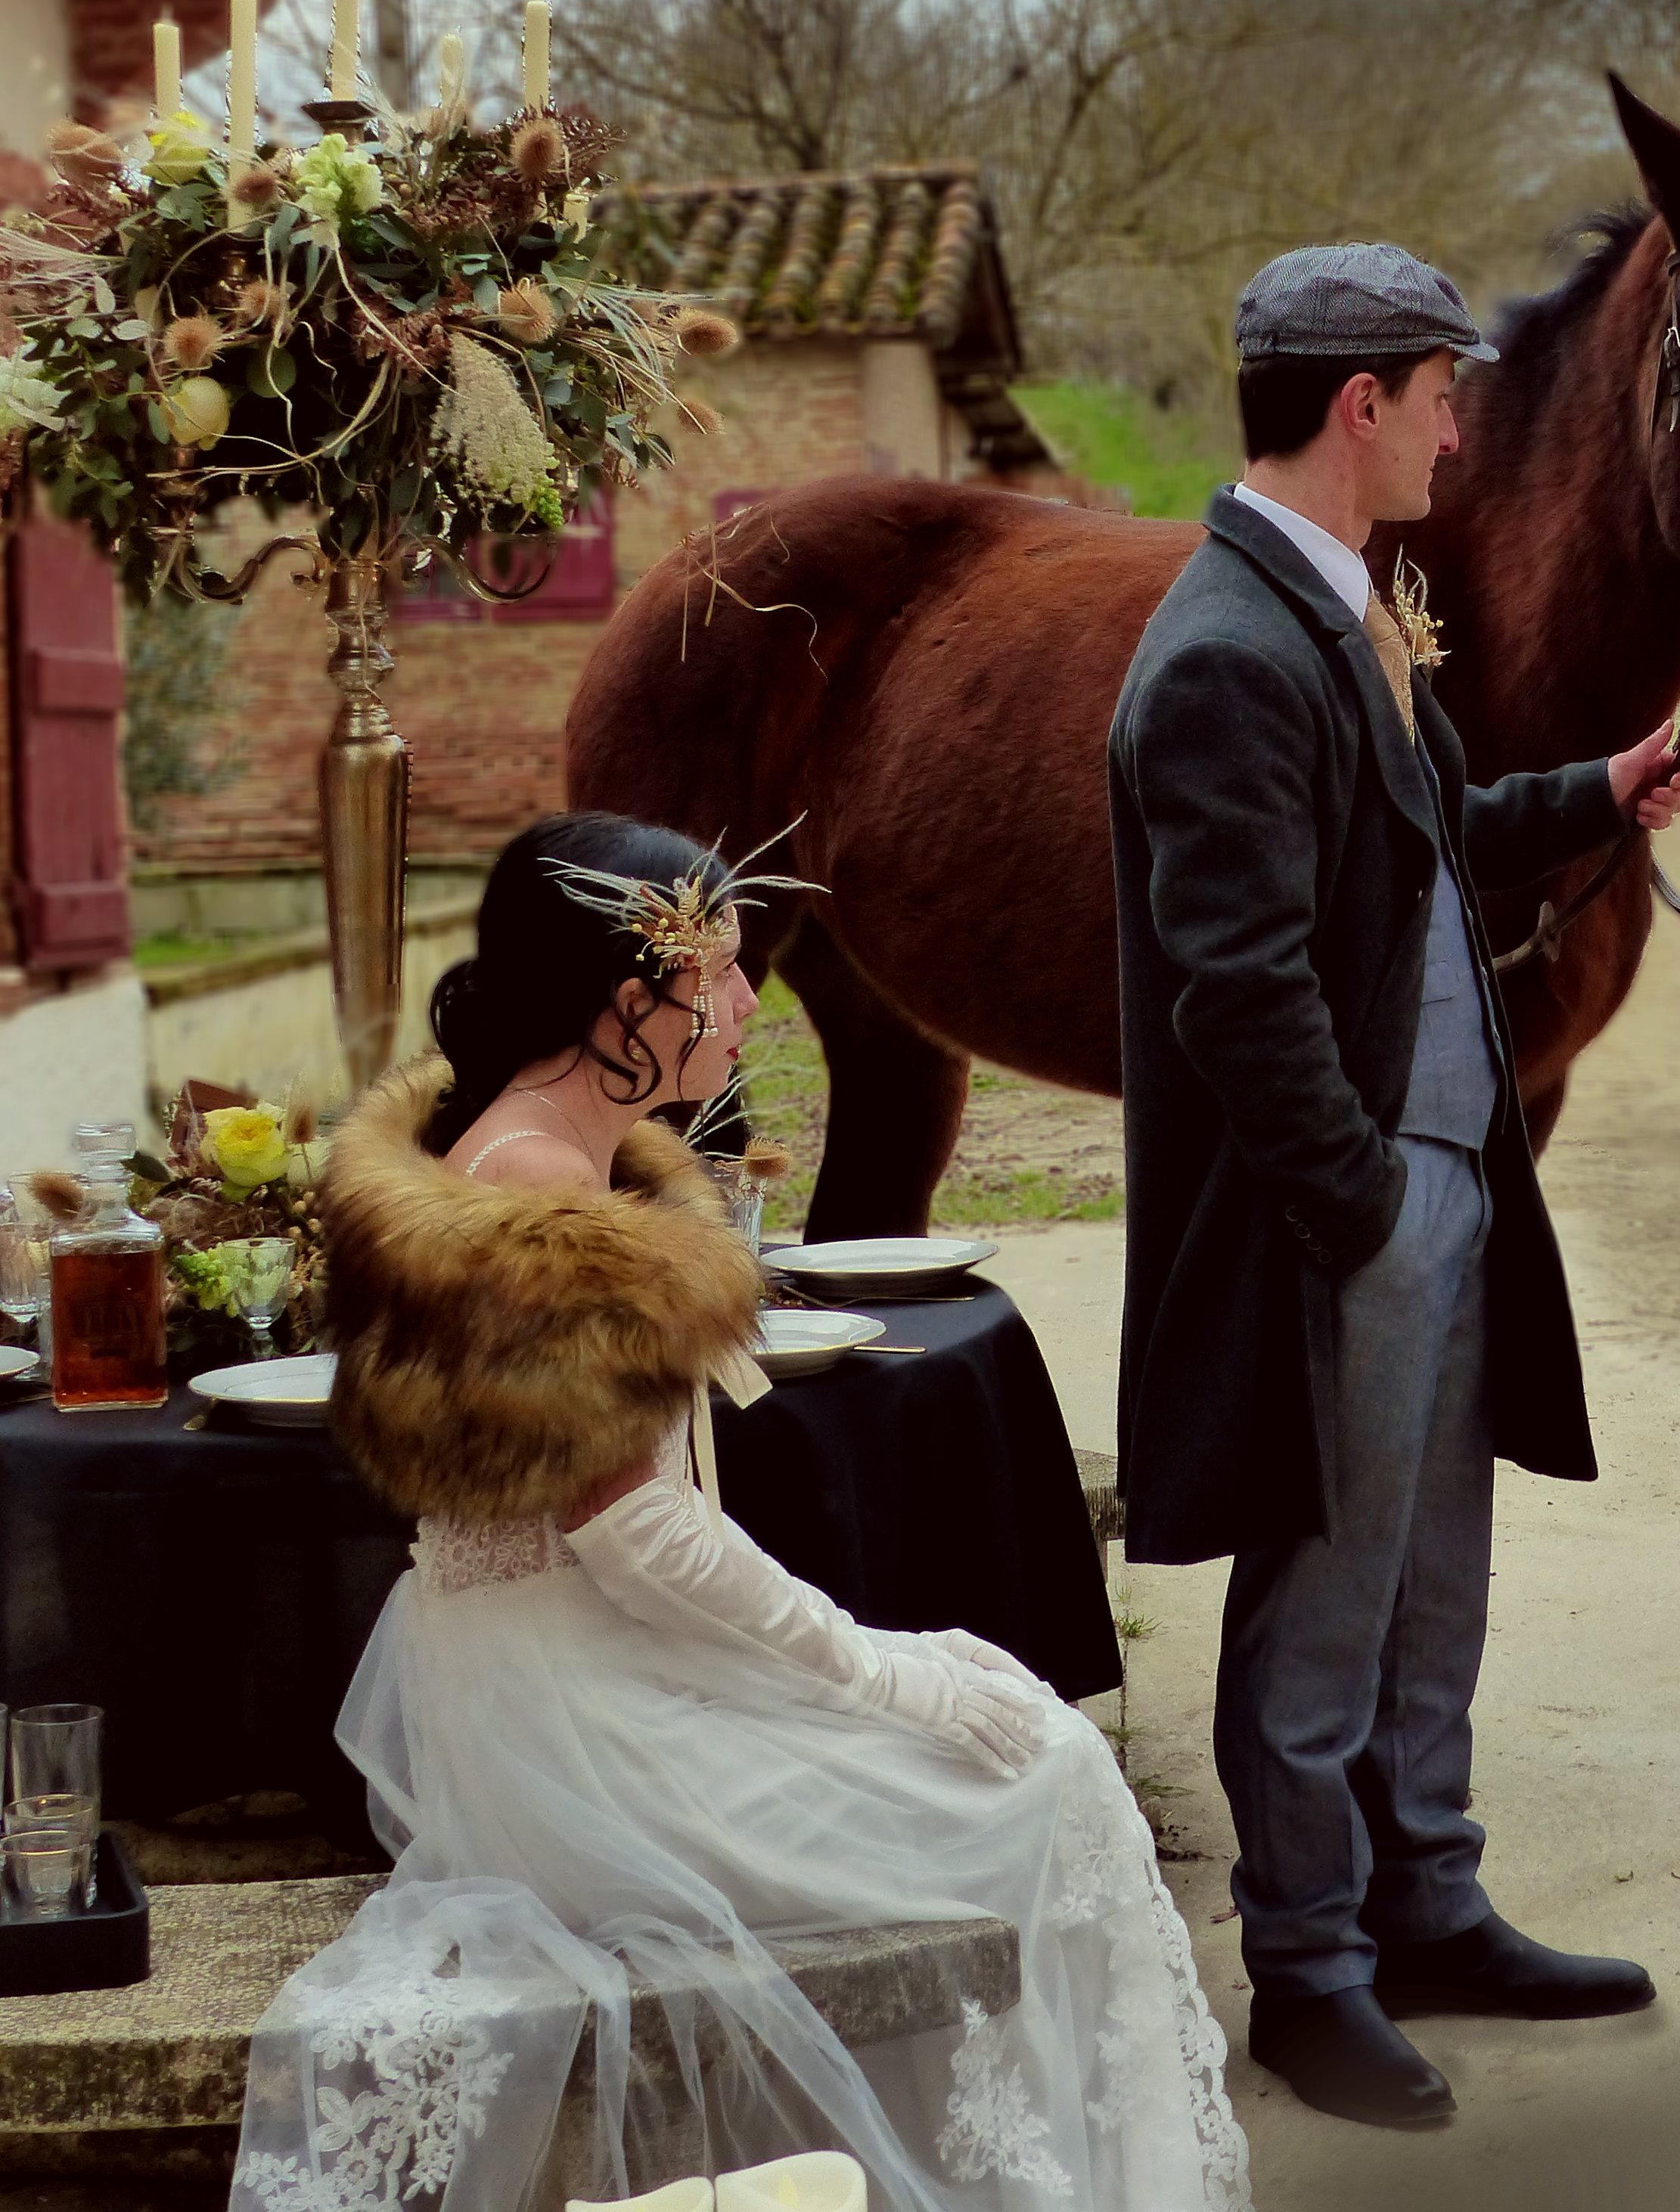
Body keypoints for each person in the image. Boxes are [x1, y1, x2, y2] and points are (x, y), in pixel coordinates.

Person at [232, 810, 1249, 2212]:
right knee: (1042, 1784)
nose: (745, 996)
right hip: (565, 1710)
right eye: (712, 966)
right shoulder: (532, 1176)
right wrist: (879, 1672)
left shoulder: (569, 1147)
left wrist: (886, 1671)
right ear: (621, 994)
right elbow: (634, 1532)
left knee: (1025, 1743)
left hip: (574, 1659)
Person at [1108, 244, 1680, 2133]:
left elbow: (1428, 845)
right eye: (1445, 393)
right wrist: (1357, 1198)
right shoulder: (1220, 653)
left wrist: (1599, 784)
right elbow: (1238, 983)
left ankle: (1427, 1899)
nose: (1463, 424)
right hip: (1346, 1213)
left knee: (1433, 1569)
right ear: (1359, 405)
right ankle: (1309, 1965)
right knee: (1323, 1594)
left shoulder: (1348, 607)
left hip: (1441, 1181)